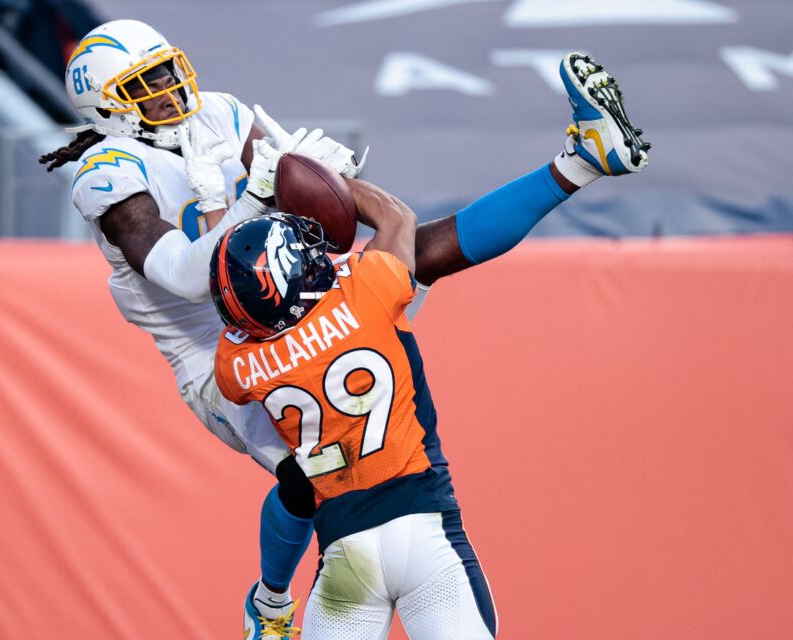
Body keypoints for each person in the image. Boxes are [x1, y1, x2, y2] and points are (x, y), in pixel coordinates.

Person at [39, 16, 648, 636]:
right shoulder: (104, 172)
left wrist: (332, 180)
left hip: (284, 286)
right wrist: (264, 198)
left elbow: (309, 202)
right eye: (148, 83)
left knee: (420, 253)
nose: (171, 88)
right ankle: (272, 605)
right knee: (309, 472)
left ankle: (579, 162)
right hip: (216, 347)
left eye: (168, 70)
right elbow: (187, 277)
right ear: (110, 109)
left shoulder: (215, 112)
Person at [208, 56, 648, 638]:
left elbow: (232, 290)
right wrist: (335, 183)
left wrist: (234, 205)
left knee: (293, 481)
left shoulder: (236, 365)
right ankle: (577, 165)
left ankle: (268, 606)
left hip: (346, 561)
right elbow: (396, 217)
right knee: (429, 249)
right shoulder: (365, 292)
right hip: (426, 532)